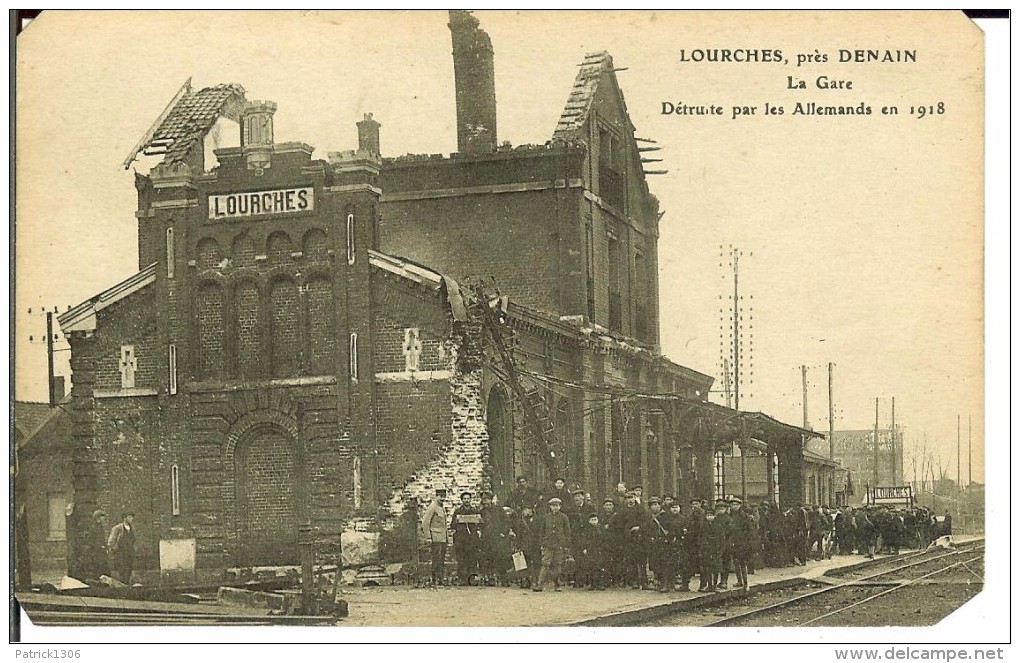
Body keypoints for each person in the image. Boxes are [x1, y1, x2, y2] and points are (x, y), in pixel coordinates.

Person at [534, 497, 572, 592]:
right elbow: (542, 531)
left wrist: (566, 544)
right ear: (550, 507)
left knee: (557, 564)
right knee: (545, 564)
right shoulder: (546, 517)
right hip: (548, 544)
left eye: (557, 506)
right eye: (553, 506)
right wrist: (542, 543)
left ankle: (557, 585)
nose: (555, 508)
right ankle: (540, 584)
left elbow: (567, 531)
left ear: (560, 506)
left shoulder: (564, 517)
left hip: (559, 544)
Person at [419, 489, 449, 587]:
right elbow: (425, 523)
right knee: (436, 559)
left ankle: (440, 579)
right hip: (435, 538)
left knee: (441, 559)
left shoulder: (441, 507)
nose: (442, 498)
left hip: (443, 538)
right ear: (436, 496)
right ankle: (435, 580)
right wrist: (428, 537)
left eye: (444, 496)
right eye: (440, 496)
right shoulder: (432, 507)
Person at [452, 491, 482, 585]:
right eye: (464, 499)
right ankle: (462, 579)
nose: (466, 500)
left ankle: (472, 579)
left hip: (472, 539)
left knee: (472, 559)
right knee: (462, 559)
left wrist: (479, 520)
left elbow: (480, 524)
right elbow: (452, 525)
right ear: (462, 500)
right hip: (461, 539)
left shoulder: (475, 511)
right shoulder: (458, 511)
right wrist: (456, 521)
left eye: (468, 499)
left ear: (470, 500)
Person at [575, 513, 606, 590]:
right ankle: (592, 584)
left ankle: (599, 584)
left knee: (599, 567)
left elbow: (604, 539)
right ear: (589, 521)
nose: (594, 521)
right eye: (592, 520)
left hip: (599, 550)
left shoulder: (601, 529)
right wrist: (584, 548)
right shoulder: (586, 530)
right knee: (591, 567)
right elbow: (583, 540)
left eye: (595, 519)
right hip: (590, 550)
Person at [728, 497, 753, 589]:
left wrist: (744, 538)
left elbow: (749, 530)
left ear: (740, 505)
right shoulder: (729, 515)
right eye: (733, 504)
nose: (734, 506)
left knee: (742, 562)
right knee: (735, 562)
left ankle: (745, 582)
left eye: (736, 505)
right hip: (732, 541)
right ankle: (739, 581)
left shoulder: (744, 516)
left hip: (742, 542)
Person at [107, 512, 136, 585]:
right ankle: (122, 584)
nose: (131, 519)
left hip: (130, 552)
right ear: (124, 518)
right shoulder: (118, 528)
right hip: (121, 553)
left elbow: (134, 539)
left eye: (132, 517)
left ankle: (126, 583)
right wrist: (114, 549)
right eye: (129, 517)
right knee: (122, 569)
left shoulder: (132, 528)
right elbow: (111, 540)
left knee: (129, 568)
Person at [82, 509, 110, 581]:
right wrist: (99, 546)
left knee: (104, 566)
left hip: (101, 550)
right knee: (97, 567)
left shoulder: (100, 526)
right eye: (102, 516)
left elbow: (102, 539)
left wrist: (105, 546)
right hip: (95, 552)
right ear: (98, 518)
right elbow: (91, 540)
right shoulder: (93, 527)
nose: (103, 518)